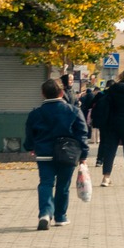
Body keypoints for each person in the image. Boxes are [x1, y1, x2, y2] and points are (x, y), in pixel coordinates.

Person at [25, 78, 89, 230]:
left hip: (44, 154)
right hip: (68, 154)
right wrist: (83, 155)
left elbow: (29, 133)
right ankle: (60, 217)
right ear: (62, 92)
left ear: (43, 94)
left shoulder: (36, 113)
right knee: (63, 185)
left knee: (46, 183)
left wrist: (30, 147)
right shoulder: (73, 111)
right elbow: (82, 133)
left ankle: (45, 214)